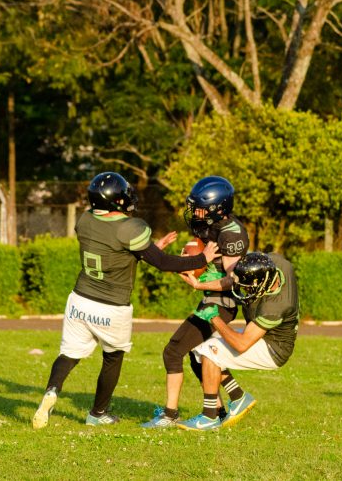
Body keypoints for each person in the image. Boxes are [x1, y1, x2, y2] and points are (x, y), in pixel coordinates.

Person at [32, 171, 220, 429]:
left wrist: (151, 248)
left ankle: (52, 390)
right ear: (116, 201)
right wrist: (202, 259)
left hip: (80, 299)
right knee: (112, 357)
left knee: (69, 354)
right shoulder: (132, 227)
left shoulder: (85, 220)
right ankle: (97, 413)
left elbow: (117, 250)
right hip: (112, 305)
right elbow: (163, 264)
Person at [141, 176, 249, 428]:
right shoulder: (213, 226)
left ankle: (170, 414)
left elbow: (234, 280)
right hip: (213, 299)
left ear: (217, 208)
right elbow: (205, 260)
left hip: (221, 303)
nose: (194, 213)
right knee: (196, 355)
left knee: (173, 351)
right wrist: (193, 262)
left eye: (198, 208)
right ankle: (231, 401)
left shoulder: (232, 234)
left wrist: (199, 281)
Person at [177, 251, 299, 431]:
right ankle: (238, 397)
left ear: (263, 284)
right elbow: (241, 272)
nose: (243, 289)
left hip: (273, 348)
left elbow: (241, 344)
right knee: (198, 345)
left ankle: (209, 416)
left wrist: (214, 318)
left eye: (247, 287)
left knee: (210, 351)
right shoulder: (276, 264)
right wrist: (199, 283)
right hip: (263, 334)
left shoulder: (275, 306)